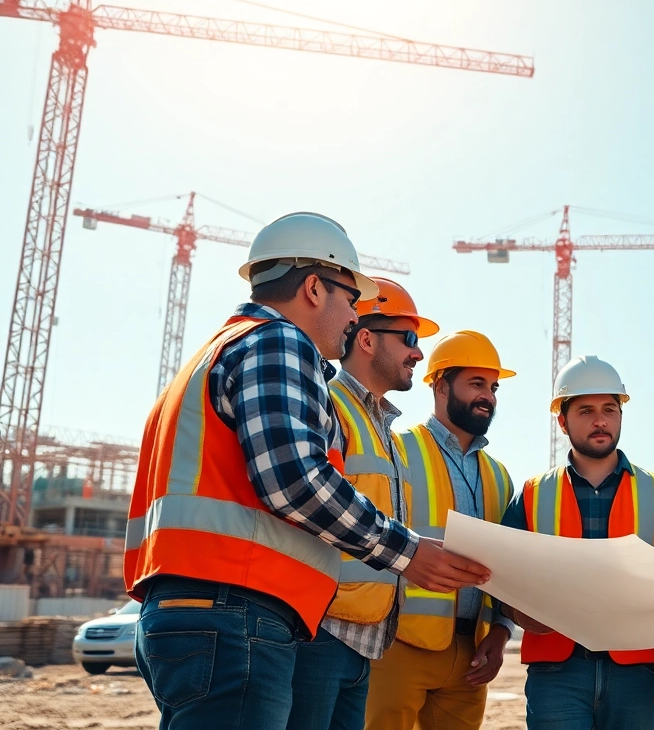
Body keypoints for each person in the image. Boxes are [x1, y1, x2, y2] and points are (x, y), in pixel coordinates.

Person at [126, 212, 489, 730]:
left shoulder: (211, 356)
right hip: (237, 613)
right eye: (350, 299)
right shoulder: (278, 342)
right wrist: (408, 553)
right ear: (315, 288)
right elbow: (295, 481)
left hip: (193, 608)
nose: (353, 316)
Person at [502, 355, 654, 730]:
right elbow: (499, 578)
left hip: (636, 672)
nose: (600, 420)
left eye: (610, 408)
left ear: (621, 416)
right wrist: (517, 613)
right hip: (556, 672)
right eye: (586, 410)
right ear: (562, 421)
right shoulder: (531, 494)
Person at [287, 277, 440, 730]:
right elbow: (310, 501)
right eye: (408, 339)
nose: (418, 353)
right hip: (320, 632)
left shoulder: (383, 428)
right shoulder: (330, 406)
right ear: (368, 340)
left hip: (364, 638)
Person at [365, 330, 519, 730]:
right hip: (398, 645)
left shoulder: (500, 477)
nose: (488, 395)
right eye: (476, 384)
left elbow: (508, 568)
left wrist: (501, 632)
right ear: (440, 386)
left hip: (472, 655)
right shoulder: (397, 449)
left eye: (493, 386)